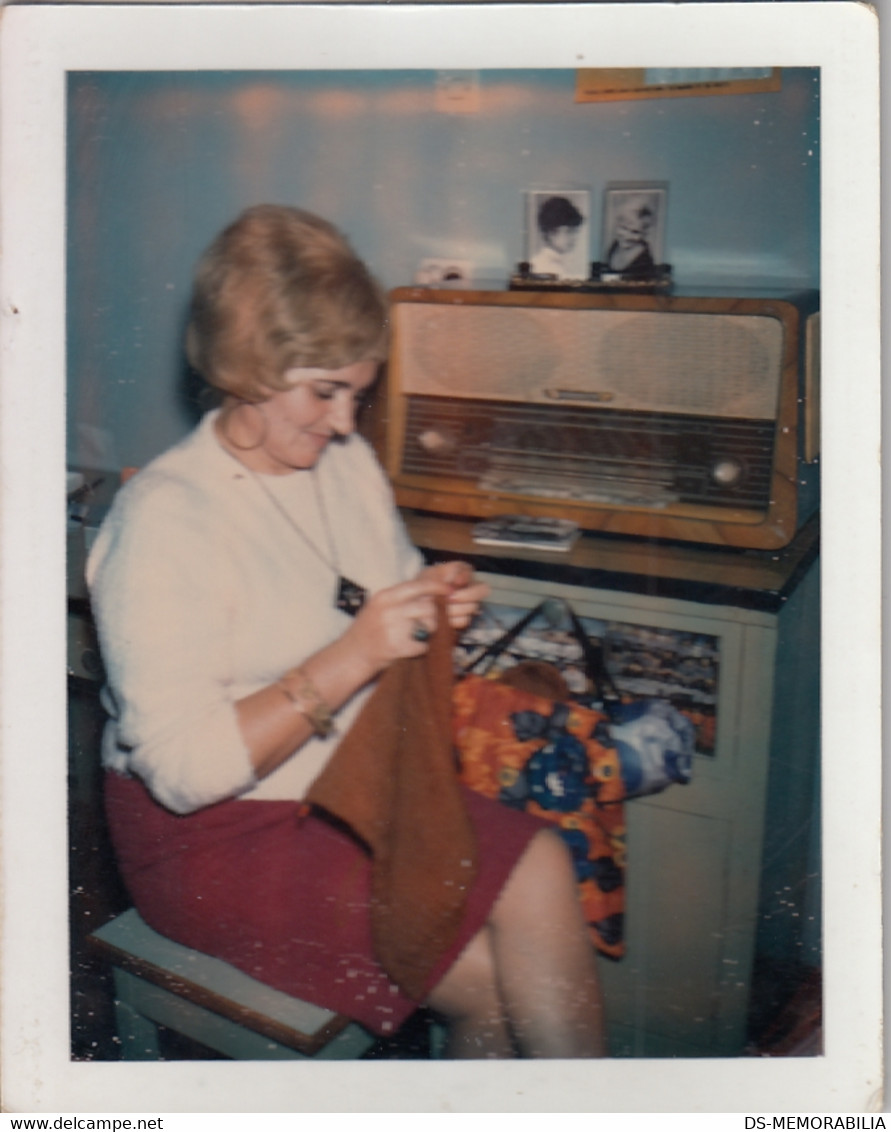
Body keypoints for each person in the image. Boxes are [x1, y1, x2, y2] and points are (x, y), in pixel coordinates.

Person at [87, 204, 606, 1059]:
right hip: (212, 841)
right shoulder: (164, 521)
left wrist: (428, 603)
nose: (343, 424)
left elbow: (384, 592)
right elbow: (181, 776)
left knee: (542, 863)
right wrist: (357, 650)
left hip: (352, 786)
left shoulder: (346, 463)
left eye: (356, 395)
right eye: (324, 392)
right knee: (487, 985)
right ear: (248, 365)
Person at [529, 195, 586, 279]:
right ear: (551, 232)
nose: (574, 237)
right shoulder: (542, 266)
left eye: (575, 231)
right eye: (569, 231)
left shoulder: (560, 264)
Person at [604, 195, 657, 276]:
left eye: (635, 232)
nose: (627, 236)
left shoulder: (644, 261)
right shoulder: (614, 245)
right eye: (623, 228)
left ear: (644, 233)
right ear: (617, 224)